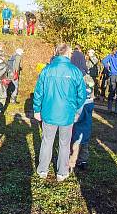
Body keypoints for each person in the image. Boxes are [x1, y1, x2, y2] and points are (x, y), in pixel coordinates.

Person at [33, 43, 87, 181]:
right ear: (68, 54)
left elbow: (39, 92)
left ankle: (42, 170)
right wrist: (75, 109)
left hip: (49, 112)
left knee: (47, 141)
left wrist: (37, 109)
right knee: (64, 143)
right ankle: (62, 172)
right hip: (67, 114)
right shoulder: (75, 71)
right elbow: (82, 95)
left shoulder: (47, 70)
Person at [69, 75, 96, 172]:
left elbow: (77, 117)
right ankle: (83, 161)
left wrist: (71, 120)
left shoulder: (81, 105)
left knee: (75, 148)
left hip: (78, 131)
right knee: (85, 147)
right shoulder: (90, 104)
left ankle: (72, 163)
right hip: (86, 131)